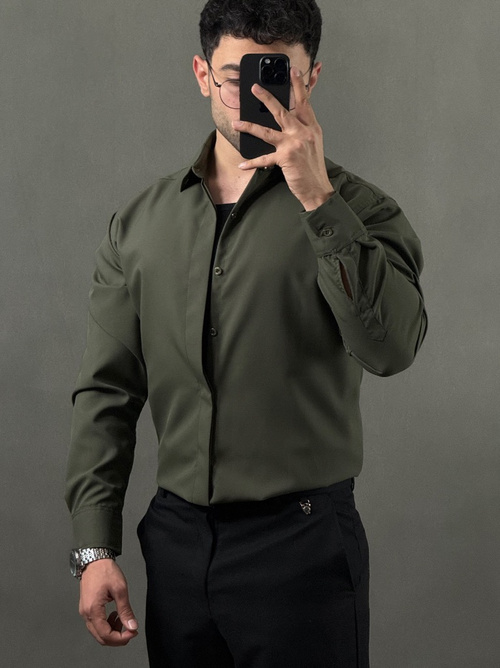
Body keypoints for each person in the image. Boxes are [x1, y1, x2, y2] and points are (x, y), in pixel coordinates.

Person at [65, 1, 427, 666]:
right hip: (175, 547)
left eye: (276, 76)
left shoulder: (363, 212)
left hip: (303, 548)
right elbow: (106, 393)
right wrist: (95, 547)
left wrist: (317, 199)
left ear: (310, 78)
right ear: (202, 74)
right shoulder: (139, 224)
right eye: (236, 76)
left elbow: (391, 348)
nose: (253, 97)